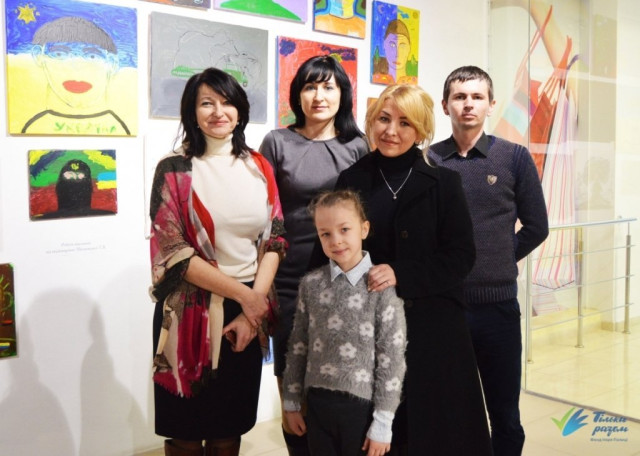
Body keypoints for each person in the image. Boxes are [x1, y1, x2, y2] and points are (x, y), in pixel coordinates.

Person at [335, 84, 492, 455]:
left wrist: (401, 273)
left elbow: (461, 256)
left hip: (435, 333)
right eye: (384, 119)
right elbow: (331, 252)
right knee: (378, 436)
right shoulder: (351, 181)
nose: (392, 131)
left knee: (436, 434)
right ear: (371, 122)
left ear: (421, 130)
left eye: (405, 123)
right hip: (371, 328)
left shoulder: (444, 183)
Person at [149, 67, 287, 456]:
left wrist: (252, 307)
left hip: (246, 311)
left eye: (227, 102)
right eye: (206, 103)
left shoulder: (259, 166)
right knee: (185, 432)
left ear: (240, 111)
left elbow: (276, 238)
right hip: (188, 312)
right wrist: (248, 299)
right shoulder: (173, 169)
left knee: (229, 427)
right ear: (192, 112)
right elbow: (173, 252)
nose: (218, 111)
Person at [430, 66, 549, 456]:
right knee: (451, 413)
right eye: (460, 97)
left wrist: (498, 256)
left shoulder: (513, 157)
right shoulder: (430, 161)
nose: (468, 104)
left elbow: (537, 226)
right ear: (445, 105)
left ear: (491, 104)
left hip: (498, 310)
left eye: (477, 97)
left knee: (505, 415)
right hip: (445, 309)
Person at [259, 54, 369, 456]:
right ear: (297, 95)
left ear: (343, 94)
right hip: (290, 281)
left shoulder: (357, 145)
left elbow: (366, 216)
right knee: (293, 391)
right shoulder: (277, 142)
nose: (319, 96)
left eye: (328, 87)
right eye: (309, 86)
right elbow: (266, 215)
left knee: (341, 388)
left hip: (345, 282)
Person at [282, 189, 406, 456]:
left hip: (362, 411)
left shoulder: (382, 288)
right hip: (318, 407)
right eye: (325, 234)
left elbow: (392, 359)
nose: (336, 240)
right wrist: (291, 403)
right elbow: (298, 347)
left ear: (364, 229)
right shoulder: (311, 285)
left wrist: (383, 423)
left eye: (344, 229)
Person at [25, 16, 130, 135]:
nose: (77, 66)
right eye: (59, 54)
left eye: (92, 56)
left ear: (112, 63)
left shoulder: (118, 127)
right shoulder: (35, 127)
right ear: (39, 57)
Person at [372, 20, 416, 86]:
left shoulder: (414, 82)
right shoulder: (376, 77)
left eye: (402, 46)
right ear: (384, 45)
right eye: (392, 45)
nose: (397, 54)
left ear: (409, 48)